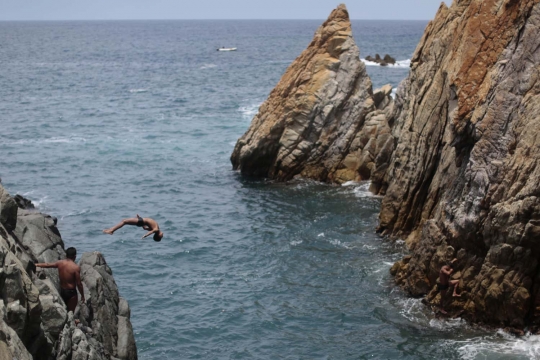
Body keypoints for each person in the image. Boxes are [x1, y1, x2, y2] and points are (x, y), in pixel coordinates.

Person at [35, 247, 85, 313]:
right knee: (71, 312)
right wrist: (82, 295)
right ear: (75, 256)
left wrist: (37, 264)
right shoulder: (75, 268)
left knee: (64, 309)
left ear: (66, 255)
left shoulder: (60, 263)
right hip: (71, 293)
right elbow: (79, 284)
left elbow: (48, 265)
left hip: (62, 291)